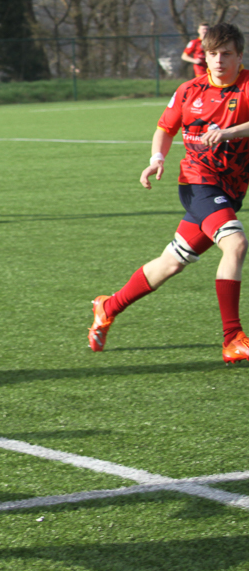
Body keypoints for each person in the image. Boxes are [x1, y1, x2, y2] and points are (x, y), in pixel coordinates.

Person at [89, 23, 249, 364]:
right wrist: (156, 159)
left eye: (226, 54)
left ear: (239, 56)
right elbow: (165, 129)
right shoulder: (189, 90)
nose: (218, 61)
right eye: (212, 54)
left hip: (231, 188)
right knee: (235, 243)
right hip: (197, 183)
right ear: (204, 56)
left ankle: (108, 306)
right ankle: (232, 338)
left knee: (172, 263)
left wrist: (229, 133)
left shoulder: (248, 85)